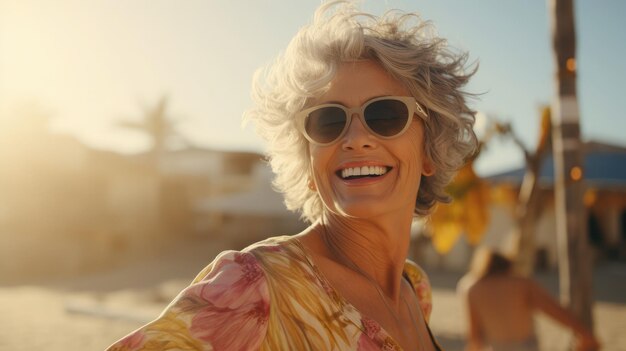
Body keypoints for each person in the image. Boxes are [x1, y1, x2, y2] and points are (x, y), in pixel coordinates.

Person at [107, 1, 477, 350]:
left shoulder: (415, 288)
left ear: (430, 149)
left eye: (385, 115)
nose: (356, 138)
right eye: (327, 121)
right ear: (309, 163)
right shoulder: (258, 284)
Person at [457, 248, 600, 351]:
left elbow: (474, 339)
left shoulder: (470, 288)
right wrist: (586, 334)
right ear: (507, 266)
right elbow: (556, 312)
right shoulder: (521, 284)